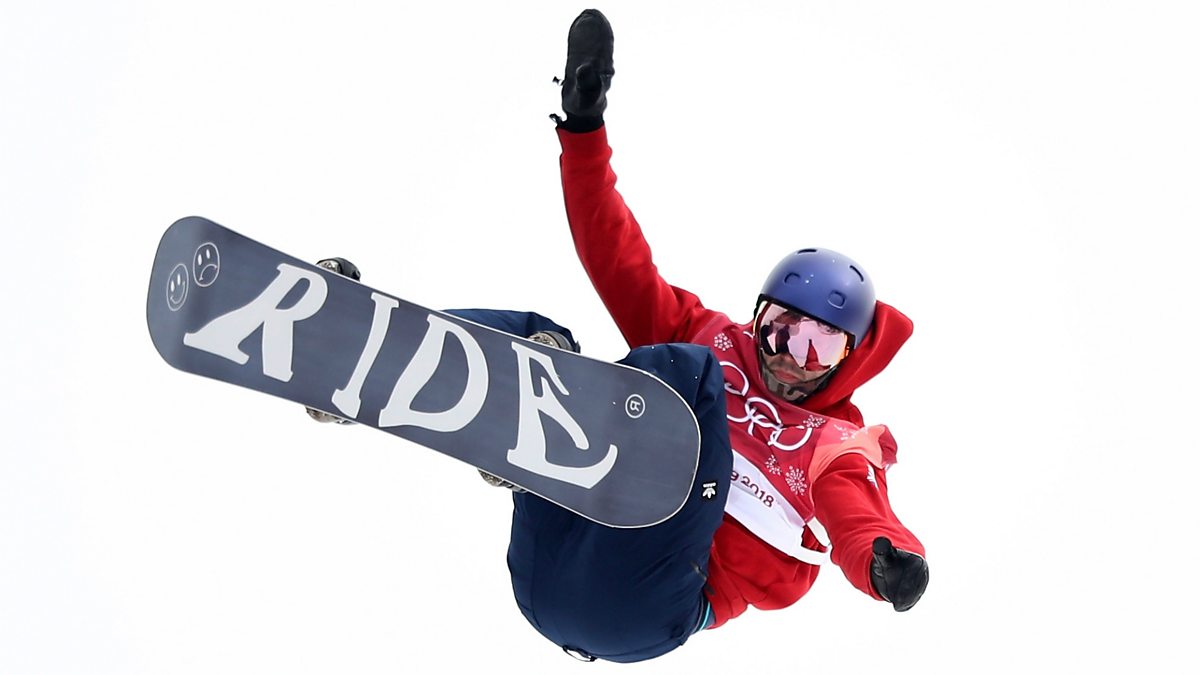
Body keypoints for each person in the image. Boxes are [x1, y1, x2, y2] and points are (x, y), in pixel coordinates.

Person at [312, 9, 928, 663]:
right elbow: (616, 256)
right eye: (778, 331)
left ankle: (538, 432)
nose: (789, 359)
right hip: (548, 560)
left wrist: (887, 562)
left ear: (850, 357)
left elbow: (859, 519)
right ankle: (372, 358)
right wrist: (585, 130)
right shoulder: (710, 335)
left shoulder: (834, 444)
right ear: (758, 316)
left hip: (645, 597)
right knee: (548, 343)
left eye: (817, 347)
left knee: (689, 373)